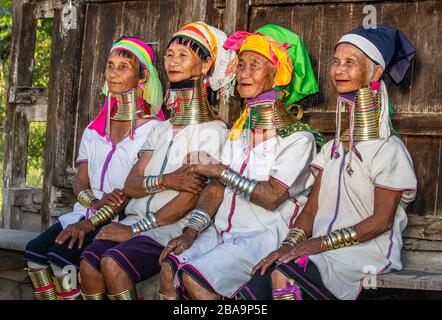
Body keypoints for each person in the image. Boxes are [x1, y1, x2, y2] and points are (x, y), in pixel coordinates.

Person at [243, 25, 418, 300]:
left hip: (364, 252)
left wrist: (318, 245)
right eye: (336, 62)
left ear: (375, 73)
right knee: (260, 277)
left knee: (284, 274)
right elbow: (311, 210)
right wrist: (288, 245)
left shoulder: (388, 150)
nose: (338, 70)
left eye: (350, 63)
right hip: (321, 250)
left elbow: (381, 222)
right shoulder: (332, 150)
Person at [159, 24, 320, 300]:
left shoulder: (297, 139)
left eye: (255, 66)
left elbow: (271, 196)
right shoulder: (241, 133)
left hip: (261, 239)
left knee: (195, 280)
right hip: (222, 233)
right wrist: (191, 230)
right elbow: (215, 189)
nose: (243, 73)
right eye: (241, 64)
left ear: (278, 73)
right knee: (169, 264)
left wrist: (219, 170)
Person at [78, 21, 235, 300]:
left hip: (169, 227)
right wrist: (166, 180)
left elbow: (190, 196)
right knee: (89, 263)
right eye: (169, 55)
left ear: (206, 64)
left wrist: (134, 229)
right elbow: (131, 184)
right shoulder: (161, 129)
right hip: (135, 218)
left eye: (183, 56)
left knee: (112, 264)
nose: (172, 62)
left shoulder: (213, 131)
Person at [23, 36, 164, 300]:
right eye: (110, 66)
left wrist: (94, 218)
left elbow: (131, 190)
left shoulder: (152, 131)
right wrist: (93, 202)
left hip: (121, 217)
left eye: (124, 67)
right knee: (34, 254)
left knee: (60, 261)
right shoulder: (95, 129)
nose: (113, 73)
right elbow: (80, 180)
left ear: (142, 77)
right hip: (87, 211)